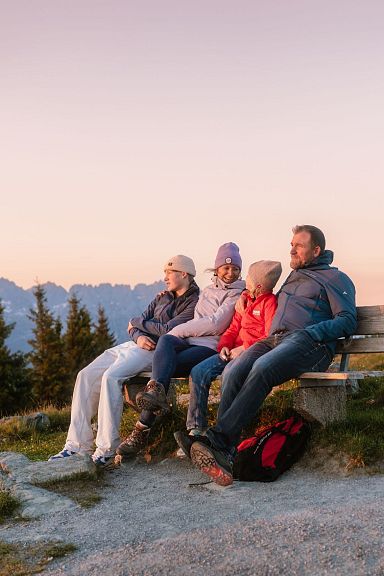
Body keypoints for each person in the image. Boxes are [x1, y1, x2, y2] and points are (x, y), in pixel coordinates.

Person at [184, 225, 357, 486]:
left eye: (298, 245)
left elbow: (347, 320)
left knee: (262, 368)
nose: (292, 249)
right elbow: (266, 298)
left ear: (316, 250)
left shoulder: (335, 279)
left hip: (309, 343)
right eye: (292, 244)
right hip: (274, 339)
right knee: (234, 370)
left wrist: (312, 333)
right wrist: (246, 296)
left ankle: (217, 441)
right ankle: (225, 454)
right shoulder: (294, 276)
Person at [48, 255, 199, 468]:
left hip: (155, 351)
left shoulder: (195, 302)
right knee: (85, 375)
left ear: (184, 273)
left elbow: (166, 330)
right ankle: (76, 445)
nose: (165, 277)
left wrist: (137, 323)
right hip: (135, 345)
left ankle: (106, 448)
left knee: (111, 377)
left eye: (169, 272)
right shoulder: (162, 297)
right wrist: (138, 335)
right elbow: (134, 328)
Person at [116, 242, 246, 458]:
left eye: (235, 269)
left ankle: (142, 428)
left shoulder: (237, 294)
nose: (230, 273)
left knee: (168, 343)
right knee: (165, 343)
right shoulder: (207, 291)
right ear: (217, 269)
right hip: (190, 341)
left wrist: (178, 332)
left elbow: (216, 324)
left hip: (209, 347)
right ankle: (156, 393)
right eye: (225, 268)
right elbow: (194, 319)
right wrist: (163, 318)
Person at [174, 260, 282, 455]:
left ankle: (222, 441)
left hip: (250, 354)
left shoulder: (269, 303)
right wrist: (224, 346)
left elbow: (269, 336)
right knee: (199, 371)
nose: (244, 280)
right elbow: (233, 329)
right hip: (229, 353)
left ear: (258, 284)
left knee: (229, 378)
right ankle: (196, 430)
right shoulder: (245, 300)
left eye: (248, 277)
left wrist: (244, 348)